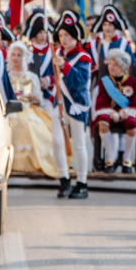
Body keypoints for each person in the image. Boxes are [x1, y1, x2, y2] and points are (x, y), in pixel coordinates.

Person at [52, 11, 93, 199]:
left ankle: (82, 183)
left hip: (76, 104)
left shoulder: (84, 58)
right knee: (57, 142)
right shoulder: (58, 54)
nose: (64, 39)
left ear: (75, 37)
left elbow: (80, 82)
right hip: (59, 103)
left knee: (78, 144)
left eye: (67, 35)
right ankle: (64, 180)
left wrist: (65, 66)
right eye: (61, 36)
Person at [25, 11, 70, 181]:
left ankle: (51, 161)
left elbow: (58, 73)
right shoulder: (27, 49)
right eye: (40, 32)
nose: (43, 36)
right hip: (31, 98)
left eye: (45, 32)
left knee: (50, 129)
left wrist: (49, 80)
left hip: (49, 97)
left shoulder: (54, 51)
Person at [6, 40, 59, 178]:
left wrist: (32, 97)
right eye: (14, 55)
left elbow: (39, 99)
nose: (16, 58)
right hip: (11, 109)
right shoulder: (7, 76)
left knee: (29, 124)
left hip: (28, 108)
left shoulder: (31, 76)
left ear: (25, 57)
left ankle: (31, 162)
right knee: (13, 124)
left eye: (19, 55)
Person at [91, 48, 136, 173]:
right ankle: (111, 159)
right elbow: (101, 102)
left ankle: (126, 159)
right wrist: (112, 112)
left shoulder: (134, 82)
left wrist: (127, 111)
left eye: (115, 64)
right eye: (110, 64)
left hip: (126, 115)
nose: (111, 67)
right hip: (110, 115)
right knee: (102, 121)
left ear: (123, 66)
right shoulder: (104, 83)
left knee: (133, 123)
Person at [88, 5, 134, 72]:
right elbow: (88, 67)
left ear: (115, 26)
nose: (107, 28)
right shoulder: (94, 45)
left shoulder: (124, 44)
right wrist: (95, 68)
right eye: (105, 25)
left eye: (110, 25)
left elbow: (131, 66)